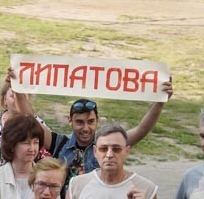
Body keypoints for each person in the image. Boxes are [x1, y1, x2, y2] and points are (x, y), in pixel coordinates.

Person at [31, 80, 173, 191]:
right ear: (70, 121)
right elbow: (30, 118)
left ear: (97, 121)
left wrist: (160, 102)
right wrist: (18, 90)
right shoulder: (59, 143)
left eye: (91, 122)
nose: (85, 128)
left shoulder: (106, 146)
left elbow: (142, 129)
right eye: (79, 122)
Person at [0, 71, 44, 169]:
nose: (17, 98)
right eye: (13, 95)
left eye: (22, 95)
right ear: (4, 99)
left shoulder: (37, 123)